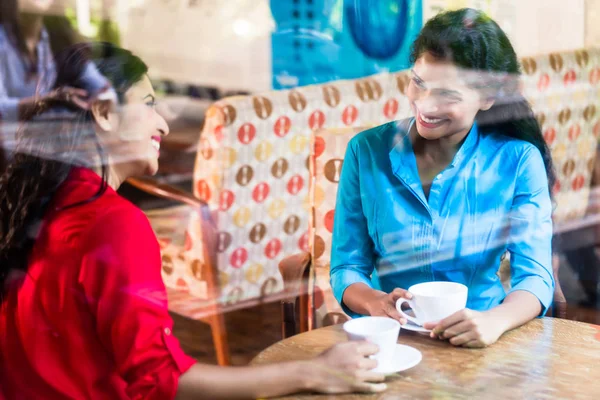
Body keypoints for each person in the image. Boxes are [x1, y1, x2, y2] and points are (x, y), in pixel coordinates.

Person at [0, 43, 387, 399]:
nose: (163, 125)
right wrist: (313, 373)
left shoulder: (33, 205)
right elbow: (162, 379)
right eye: (148, 103)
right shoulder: (113, 225)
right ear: (103, 112)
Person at [330, 8, 555, 348]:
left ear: (488, 98)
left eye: (447, 94)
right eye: (418, 83)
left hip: (482, 338)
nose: (425, 105)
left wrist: (494, 321)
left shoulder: (519, 161)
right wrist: (374, 302)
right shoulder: (365, 152)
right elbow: (347, 266)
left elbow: (535, 276)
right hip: (392, 340)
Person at [0, 0, 109, 170]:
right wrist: (50, 100)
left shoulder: (57, 38)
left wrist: (100, 101)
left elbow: (103, 89)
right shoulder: (3, 41)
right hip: (11, 165)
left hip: (45, 158)